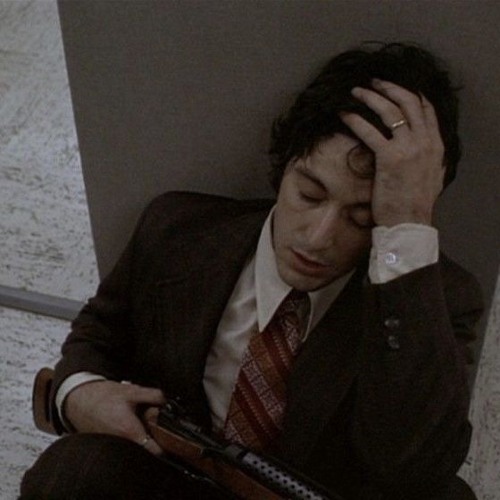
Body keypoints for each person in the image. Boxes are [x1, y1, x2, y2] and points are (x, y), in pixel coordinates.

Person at [21, 42, 483, 500]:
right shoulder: (179, 232)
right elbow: (100, 332)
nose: (319, 237)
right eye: (309, 194)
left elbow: (415, 469)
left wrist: (405, 231)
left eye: (362, 219)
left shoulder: (436, 298)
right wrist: (78, 393)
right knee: (71, 471)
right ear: (284, 168)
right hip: (179, 478)